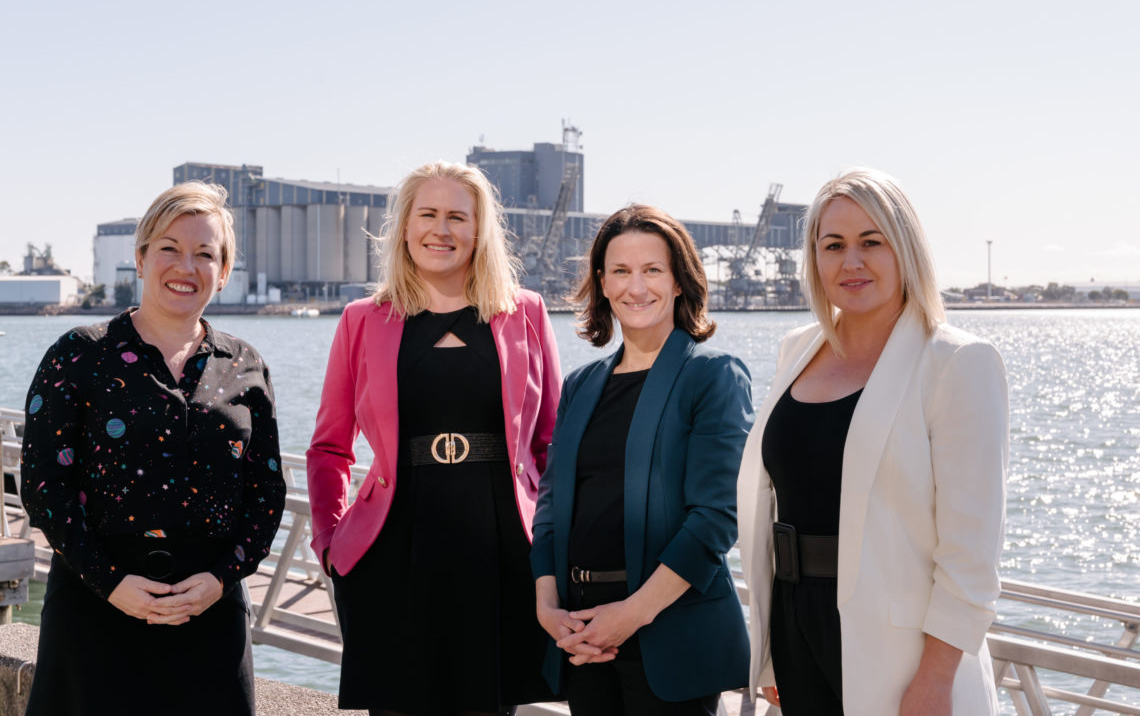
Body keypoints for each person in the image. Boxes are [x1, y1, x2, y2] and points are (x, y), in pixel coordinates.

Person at [737, 168, 1010, 716]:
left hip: (901, 657)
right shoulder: (797, 350)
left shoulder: (956, 362)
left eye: (871, 242)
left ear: (905, 248)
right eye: (833, 245)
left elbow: (971, 551)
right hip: (797, 632)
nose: (851, 262)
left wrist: (935, 680)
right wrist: (770, 651)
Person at [20, 181, 286, 716]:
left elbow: (267, 491)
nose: (185, 266)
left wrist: (221, 579)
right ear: (140, 259)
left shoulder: (245, 366)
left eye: (205, 254)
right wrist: (110, 582)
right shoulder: (78, 355)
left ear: (224, 271)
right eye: (169, 248)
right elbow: (44, 485)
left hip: (209, 612)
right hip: (96, 608)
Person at [306, 160, 561, 716]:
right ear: (403, 226)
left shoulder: (526, 314)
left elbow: (553, 445)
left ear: (480, 230)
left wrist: (555, 539)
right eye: (427, 214)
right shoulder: (361, 320)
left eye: (456, 217)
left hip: (502, 550)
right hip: (392, 550)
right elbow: (329, 446)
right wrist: (327, 540)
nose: (440, 230)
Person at [531, 204, 753, 715]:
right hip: (582, 635)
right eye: (621, 272)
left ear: (679, 282)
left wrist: (630, 614)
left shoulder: (713, 374)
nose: (637, 287)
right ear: (602, 284)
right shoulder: (580, 386)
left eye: (653, 270)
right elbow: (551, 508)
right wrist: (548, 608)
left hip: (669, 634)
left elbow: (716, 518)